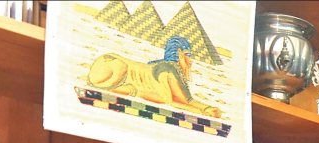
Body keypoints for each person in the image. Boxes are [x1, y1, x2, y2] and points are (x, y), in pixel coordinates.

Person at [88, 36, 222, 118]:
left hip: (112, 79)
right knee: (122, 68)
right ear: (180, 53)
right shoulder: (167, 71)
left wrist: (205, 107)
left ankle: (114, 88)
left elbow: (185, 99)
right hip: (107, 67)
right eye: (188, 55)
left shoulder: (172, 71)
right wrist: (202, 112)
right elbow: (171, 101)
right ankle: (109, 88)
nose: (190, 61)